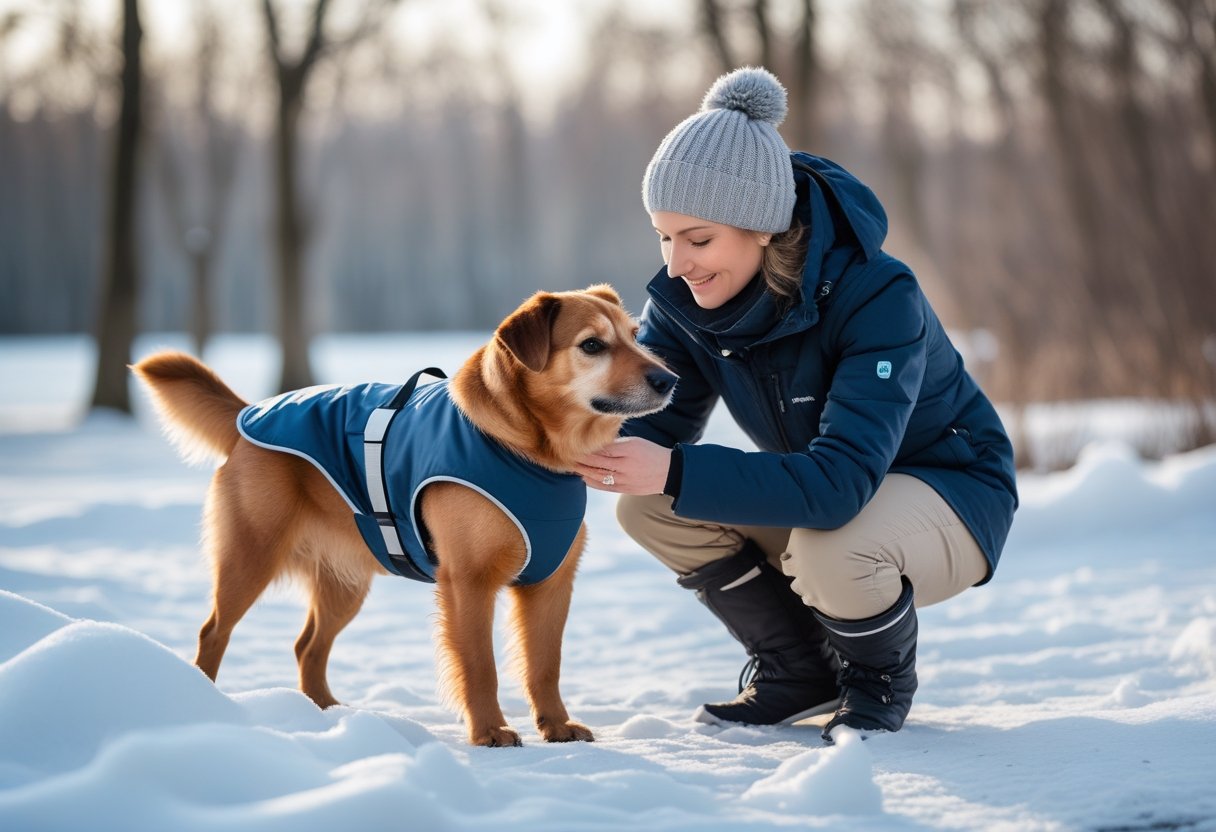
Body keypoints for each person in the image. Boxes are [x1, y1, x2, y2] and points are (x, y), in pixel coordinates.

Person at [574, 67, 1018, 742]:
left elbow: (838, 487)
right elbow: (646, 434)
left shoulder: (877, 296)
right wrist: (523, 440)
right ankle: (797, 671)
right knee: (647, 507)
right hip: (837, 497)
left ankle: (878, 682)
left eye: (698, 239)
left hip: (953, 491)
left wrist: (672, 469)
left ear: (762, 227)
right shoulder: (689, 304)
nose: (677, 264)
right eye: (664, 237)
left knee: (829, 549)